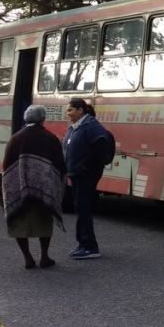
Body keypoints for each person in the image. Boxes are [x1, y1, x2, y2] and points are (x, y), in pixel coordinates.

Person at [1, 105, 66, 269]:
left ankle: (28, 258)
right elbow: (59, 164)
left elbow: (7, 165)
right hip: (44, 191)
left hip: (20, 190)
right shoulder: (50, 138)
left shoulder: (15, 138)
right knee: (44, 222)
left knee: (19, 223)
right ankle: (44, 256)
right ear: (42, 119)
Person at [62, 98, 109, 260]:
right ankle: (83, 244)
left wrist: (85, 166)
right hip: (77, 174)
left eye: (70, 110)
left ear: (80, 110)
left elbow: (102, 147)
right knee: (80, 208)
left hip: (85, 175)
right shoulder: (77, 126)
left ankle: (90, 246)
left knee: (83, 209)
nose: (68, 113)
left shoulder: (91, 126)